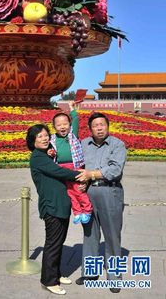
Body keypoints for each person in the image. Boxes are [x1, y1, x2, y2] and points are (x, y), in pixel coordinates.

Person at [27, 124, 89, 296]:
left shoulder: (46, 155)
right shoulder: (38, 157)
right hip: (52, 206)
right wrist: (82, 174)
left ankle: (56, 273)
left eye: (46, 135)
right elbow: (59, 171)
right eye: (39, 136)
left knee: (58, 242)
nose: (44, 138)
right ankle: (48, 281)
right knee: (53, 244)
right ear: (32, 141)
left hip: (61, 204)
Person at [75, 112, 127, 294]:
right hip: (88, 193)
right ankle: (90, 273)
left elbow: (115, 169)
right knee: (90, 234)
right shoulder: (84, 144)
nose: (99, 128)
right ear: (90, 129)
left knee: (112, 236)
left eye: (102, 125)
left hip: (109, 191)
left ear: (107, 126)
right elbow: (76, 162)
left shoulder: (117, 144)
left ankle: (114, 277)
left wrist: (91, 174)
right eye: (95, 125)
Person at [49, 102, 92, 224]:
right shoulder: (52, 138)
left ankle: (87, 210)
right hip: (61, 169)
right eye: (59, 125)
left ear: (69, 125)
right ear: (54, 127)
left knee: (78, 190)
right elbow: (49, 150)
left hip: (75, 167)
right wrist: (50, 153)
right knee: (69, 193)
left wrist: (72, 108)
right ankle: (77, 212)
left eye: (65, 124)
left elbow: (76, 119)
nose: (62, 127)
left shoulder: (72, 135)